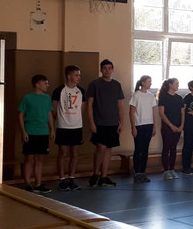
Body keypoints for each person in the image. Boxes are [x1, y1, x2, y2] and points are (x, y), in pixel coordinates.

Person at [86, 59, 123, 187]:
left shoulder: (117, 85)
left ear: (112, 70)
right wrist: (92, 123)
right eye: (105, 68)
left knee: (108, 149)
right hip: (99, 122)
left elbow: (120, 105)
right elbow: (89, 105)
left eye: (109, 68)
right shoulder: (94, 84)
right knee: (101, 147)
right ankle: (95, 173)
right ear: (101, 70)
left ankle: (104, 176)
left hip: (113, 122)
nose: (107, 70)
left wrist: (121, 122)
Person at [17, 74, 54, 193]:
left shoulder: (47, 98)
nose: (47, 85)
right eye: (45, 83)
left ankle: (38, 183)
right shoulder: (27, 98)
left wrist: (52, 129)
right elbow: (21, 115)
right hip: (30, 131)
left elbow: (49, 114)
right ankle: (27, 183)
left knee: (40, 159)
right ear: (37, 85)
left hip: (43, 132)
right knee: (29, 159)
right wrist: (23, 131)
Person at [52, 65, 86, 191]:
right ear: (69, 76)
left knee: (75, 153)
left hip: (77, 126)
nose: (79, 77)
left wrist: (75, 118)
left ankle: (72, 178)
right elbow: (54, 108)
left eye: (79, 75)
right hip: (63, 126)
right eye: (76, 75)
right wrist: (62, 119)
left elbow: (82, 108)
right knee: (63, 152)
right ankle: (62, 179)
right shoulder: (59, 90)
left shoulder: (81, 91)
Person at [129, 75, 156, 183]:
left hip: (149, 125)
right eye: (149, 81)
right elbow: (131, 112)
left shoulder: (151, 96)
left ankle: (143, 172)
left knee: (145, 150)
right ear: (143, 83)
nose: (150, 83)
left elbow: (153, 112)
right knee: (138, 149)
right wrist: (133, 127)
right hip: (139, 125)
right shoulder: (136, 95)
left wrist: (154, 126)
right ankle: (137, 172)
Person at [158, 78, 183, 179]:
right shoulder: (163, 97)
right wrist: (171, 125)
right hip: (167, 127)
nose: (178, 85)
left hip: (178, 127)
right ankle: (166, 171)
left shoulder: (179, 98)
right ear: (170, 85)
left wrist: (181, 125)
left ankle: (172, 169)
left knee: (173, 148)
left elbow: (182, 113)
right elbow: (161, 113)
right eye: (176, 84)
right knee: (166, 148)